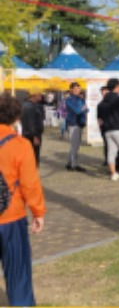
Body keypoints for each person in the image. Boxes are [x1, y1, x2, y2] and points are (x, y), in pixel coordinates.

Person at [0, 93, 46, 306]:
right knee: (18, 271)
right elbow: (29, 183)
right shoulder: (20, 145)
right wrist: (38, 212)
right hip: (11, 215)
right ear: (17, 118)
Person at [64, 82, 88, 172]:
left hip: (79, 123)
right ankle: (74, 164)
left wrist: (82, 108)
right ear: (71, 89)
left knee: (75, 145)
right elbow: (77, 110)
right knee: (75, 145)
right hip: (73, 123)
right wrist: (82, 108)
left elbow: (86, 109)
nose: (77, 90)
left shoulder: (80, 99)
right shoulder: (69, 100)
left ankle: (70, 163)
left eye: (78, 89)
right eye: (75, 89)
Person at [20, 90, 45, 167]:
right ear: (33, 95)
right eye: (39, 94)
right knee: (33, 156)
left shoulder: (31, 105)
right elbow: (31, 122)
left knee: (31, 155)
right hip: (31, 135)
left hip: (29, 134)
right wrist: (34, 136)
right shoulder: (30, 107)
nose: (41, 96)